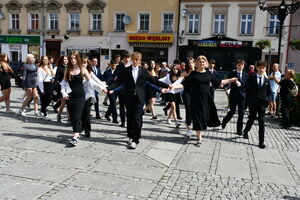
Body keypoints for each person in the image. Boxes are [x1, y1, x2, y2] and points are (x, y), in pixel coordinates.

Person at [172, 55, 237, 147]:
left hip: (206, 99)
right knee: (198, 117)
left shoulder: (208, 74)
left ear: (205, 63)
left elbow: (219, 82)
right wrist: (173, 86)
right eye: (200, 62)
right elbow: (184, 84)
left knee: (204, 117)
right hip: (195, 99)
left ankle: (200, 132)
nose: (201, 63)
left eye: (203, 62)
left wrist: (231, 80)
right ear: (196, 63)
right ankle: (199, 138)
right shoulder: (193, 74)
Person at [113, 52, 170, 149]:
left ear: (139, 61)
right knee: (130, 117)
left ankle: (136, 139)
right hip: (129, 98)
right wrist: (108, 87)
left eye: (137, 60)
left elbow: (153, 81)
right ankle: (130, 136)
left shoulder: (143, 71)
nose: (134, 61)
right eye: (133, 59)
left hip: (139, 98)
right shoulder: (126, 70)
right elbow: (118, 82)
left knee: (137, 118)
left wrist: (166, 86)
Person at [61, 50, 91, 147]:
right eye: (71, 58)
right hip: (70, 97)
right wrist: (63, 93)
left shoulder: (83, 69)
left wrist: (102, 87)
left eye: (74, 58)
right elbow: (64, 83)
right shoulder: (67, 69)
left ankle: (75, 136)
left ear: (78, 58)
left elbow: (91, 82)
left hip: (80, 97)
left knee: (77, 116)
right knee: (73, 117)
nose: (73, 60)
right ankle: (77, 133)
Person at [243, 61, 271, 149]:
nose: (262, 69)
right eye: (260, 67)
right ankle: (246, 131)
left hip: (262, 104)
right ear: (257, 68)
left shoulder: (267, 80)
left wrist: (268, 103)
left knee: (261, 121)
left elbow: (269, 92)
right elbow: (247, 89)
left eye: (263, 68)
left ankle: (261, 141)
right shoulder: (252, 77)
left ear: (265, 69)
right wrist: (247, 102)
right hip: (253, 103)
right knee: (251, 118)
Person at [222, 60, 249, 135]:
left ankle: (239, 130)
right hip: (233, 96)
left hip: (242, 97)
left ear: (244, 66)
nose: (240, 66)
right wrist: (226, 88)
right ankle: (225, 121)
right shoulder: (232, 74)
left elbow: (247, 86)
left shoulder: (246, 75)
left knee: (241, 113)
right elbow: (227, 83)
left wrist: (240, 84)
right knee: (232, 111)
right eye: (239, 65)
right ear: (236, 65)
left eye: (242, 65)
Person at [81, 57, 107, 137]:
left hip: (88, 95)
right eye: (82, 62)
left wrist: (102, 86)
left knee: (86, 113)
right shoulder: (77, 71)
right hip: (79, 96)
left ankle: (87, 130)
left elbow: (95, 80)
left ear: (87, 64)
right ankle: (81, 127)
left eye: (85, 63)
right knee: (81, 113)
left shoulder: (89, 72)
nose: (83, 64)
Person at [115, 50, 131, 127]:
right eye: (125, 58)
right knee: (122, 106)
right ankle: (123, 121)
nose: (127, 59)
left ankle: (129, 121)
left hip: (130, 89)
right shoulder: (119, 67)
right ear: (123, 59)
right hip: (121, 89)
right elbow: (115, 77)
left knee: (128, 106)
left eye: (128, 57)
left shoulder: (132, 66)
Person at [37, 55, 55, 120]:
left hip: (50, 84)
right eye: (44, 59)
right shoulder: (40, 68)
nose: (46, 60)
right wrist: (41, 89)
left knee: (49, 99)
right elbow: (40, 80)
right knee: (46, 100)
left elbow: (52, 75)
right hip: (44, 85)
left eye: (47, 59)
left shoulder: (49, 67)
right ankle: (44, 114)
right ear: (42, 60)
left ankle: (42, 110)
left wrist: (51, 71)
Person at [182, 57, 195, 138]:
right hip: (186, 93)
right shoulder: (185, 72)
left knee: (194, 110)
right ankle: (189, 129)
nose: (190, 64)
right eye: (189, 63)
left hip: (195, 93)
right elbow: (180, 80)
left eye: (192, 63)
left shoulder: (197, 71)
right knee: (188, 109)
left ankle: (188, 122)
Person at [53, 55, 68, 122]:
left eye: (67, 59)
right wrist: (55, 88)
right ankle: (59, 115)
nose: (66, 60)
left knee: (68, 103)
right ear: (62, 60)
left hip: (69, 87)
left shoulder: (69, 68)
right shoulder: (59, 68)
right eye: (64, 59)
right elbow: (56, 78)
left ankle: (69, 118)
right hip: (62, 88)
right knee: (63, 103)